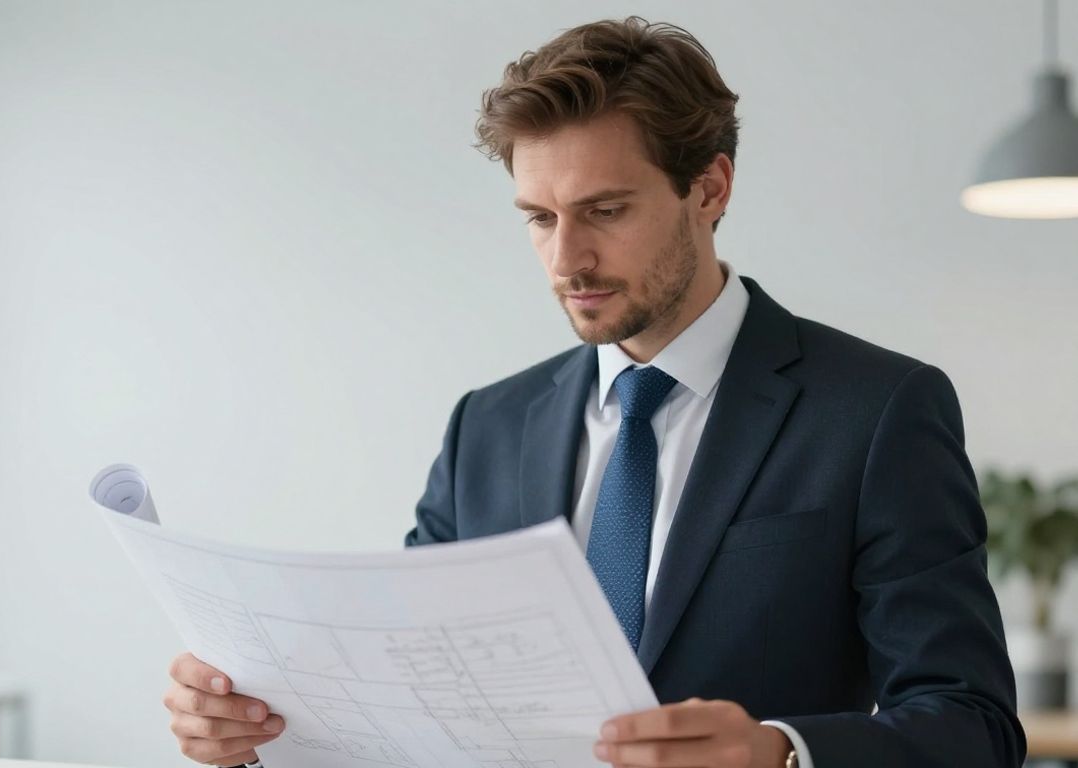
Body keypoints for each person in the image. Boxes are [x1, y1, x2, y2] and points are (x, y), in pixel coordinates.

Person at [160, 17, 1026, 768]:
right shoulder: (485, 431)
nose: (566, 260)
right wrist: (257, 733)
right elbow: (413, 712)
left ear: (710, 188)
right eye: (539, 217)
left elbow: (972, 728)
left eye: (606, 211)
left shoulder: (876, 412)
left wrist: (778, 753)